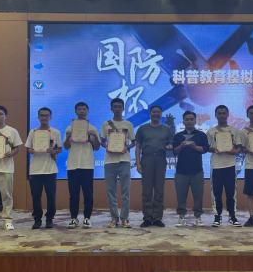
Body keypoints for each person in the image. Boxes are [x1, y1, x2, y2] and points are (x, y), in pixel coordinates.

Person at [100, 98, 136, 229]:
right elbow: (102, 141)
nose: (117, 109)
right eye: (114, 106)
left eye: (119, 106)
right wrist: (107, 147)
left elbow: (134, 142)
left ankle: (125, 219)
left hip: (124, 160)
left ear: (123, 108)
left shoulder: (128, 124)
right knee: (111, 192)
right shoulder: (106, 124)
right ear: (111, 108)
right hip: (110, 161)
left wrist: (127, 147)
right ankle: (114, 218)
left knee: (125, 192)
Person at [63, 102, 100, 229]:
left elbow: (97, 147)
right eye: (79, 109)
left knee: (88, 194)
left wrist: (95, 137)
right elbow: (66, 146)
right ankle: (73, 219)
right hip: (72, 165)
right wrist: (68, 137)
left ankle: (87, 218)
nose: (82, 111)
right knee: (73, 194)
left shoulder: (93, 129)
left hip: (87, 164)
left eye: (84, 109)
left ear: (88, 111)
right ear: (75, 112)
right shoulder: (69, 128)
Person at [136, 106, 173, 228]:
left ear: (161, 114)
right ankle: (147, 217)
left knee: (159, 189)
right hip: (146, 159)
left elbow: (170, 144)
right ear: (150, 114)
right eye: (153, 112)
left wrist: (169, 147)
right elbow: (138, 147)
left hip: (160, 159)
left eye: (158, 112)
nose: (156, 114)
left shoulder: (166, 129)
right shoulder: (142, 128)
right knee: (146, 190)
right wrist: (138, 163)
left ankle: (157, 217)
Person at [25, 107, 62, 230]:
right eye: (41, 115)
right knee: (36, 196)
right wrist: (30, 150)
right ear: (38, 117)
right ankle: (37, 219)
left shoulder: (55, 132)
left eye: (46, 115)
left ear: (50, 117)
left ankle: (49, 219)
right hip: (35, 169)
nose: (44, 117)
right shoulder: (33, 132)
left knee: (51, 196)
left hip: (50, 169)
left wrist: (53, 151)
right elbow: (28, 147)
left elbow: (60, 149)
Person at [207, 105, 243, 228]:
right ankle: (217, 217)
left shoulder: (234, 130)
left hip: (230, 165)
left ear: (228, 114)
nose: (222, 115)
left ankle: (232, 216)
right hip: (216, 165)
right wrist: (213, 148)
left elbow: (239, 147)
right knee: (216, 193)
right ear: (215, 115)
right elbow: (207, 147)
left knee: (231, 193)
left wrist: (235, 152)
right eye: (219, 113)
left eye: (224, 113)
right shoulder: (211, 131)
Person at [173, 111, 210, 227]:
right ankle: (181, 216)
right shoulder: (178, 136)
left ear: (195, 121)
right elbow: (174, 151)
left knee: (198, 195)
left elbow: (205, 149)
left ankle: (198, 216)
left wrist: (195, 147)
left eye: (191, 119)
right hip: (181, 170)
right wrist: (181, 146)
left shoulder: (201, 135)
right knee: (181, 195)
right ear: (183, 121)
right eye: (187, 119)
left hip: (197, 170)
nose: (189, 121)